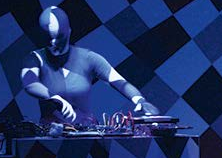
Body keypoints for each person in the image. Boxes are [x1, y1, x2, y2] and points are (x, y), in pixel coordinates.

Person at [20, 6, 159, 124]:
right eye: (49, 39)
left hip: (86, 132)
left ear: (69, 32)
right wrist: (53, 97)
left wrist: (140, 100)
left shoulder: (88, 58)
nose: (54, 44)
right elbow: (30, 83)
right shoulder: (35, 58)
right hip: (52, 135)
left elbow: (119, 82)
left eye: (59, 38)